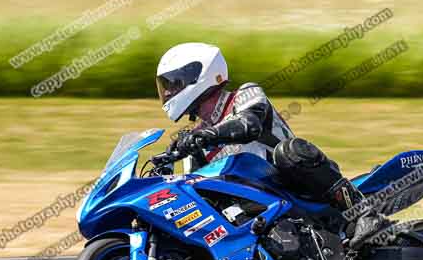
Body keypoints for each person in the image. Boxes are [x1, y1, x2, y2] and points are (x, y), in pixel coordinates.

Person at [155, 42, 387, 249]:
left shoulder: (245, 95)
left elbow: (249, 125)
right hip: (253, 208)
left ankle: (365, 212)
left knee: (290, 151)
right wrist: (163, 167)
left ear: (200, 74)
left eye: (173, 84)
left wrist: (205, 136)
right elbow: (194, 189)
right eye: (164, 86)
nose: (166, 92)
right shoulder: (195, 140)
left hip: (297, 186)